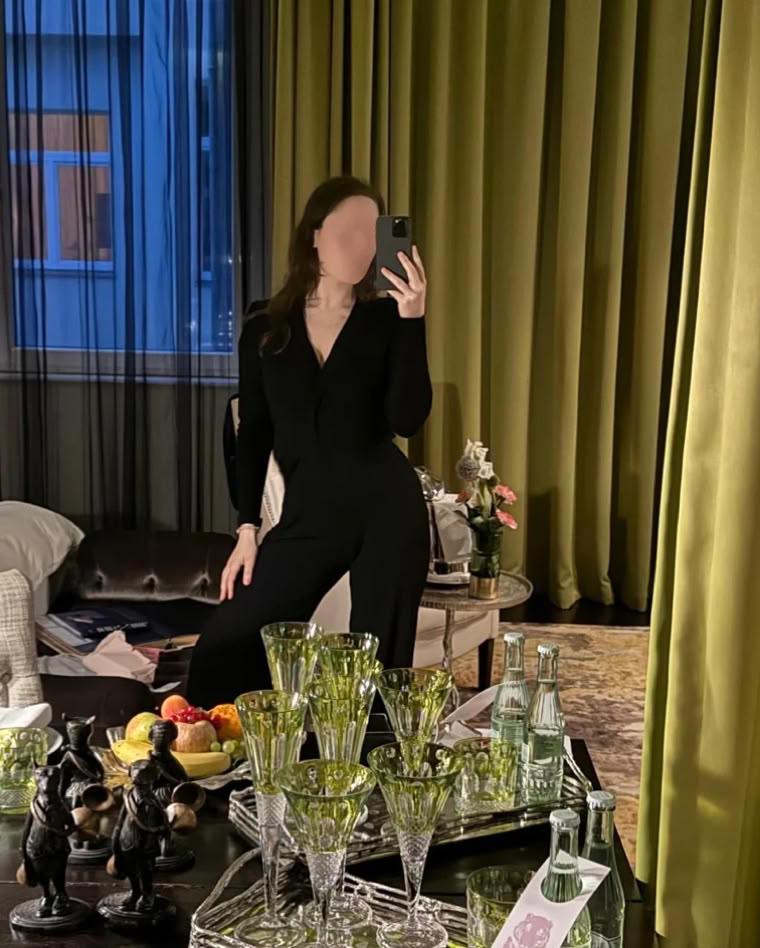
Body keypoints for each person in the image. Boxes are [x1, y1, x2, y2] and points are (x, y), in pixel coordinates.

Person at [187, 176, 432, 708]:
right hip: (312, 511)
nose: (362, 245)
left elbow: (407, 419)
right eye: (348, 231)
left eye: (372, 233)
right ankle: (243, 744)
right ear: (314, 235)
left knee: (379, 669)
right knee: (227, 641)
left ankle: (371, 759)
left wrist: (413, 319)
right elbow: (254, 430)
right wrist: (247, 528)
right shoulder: (265, 326)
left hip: (388, 506)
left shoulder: (386, 319)